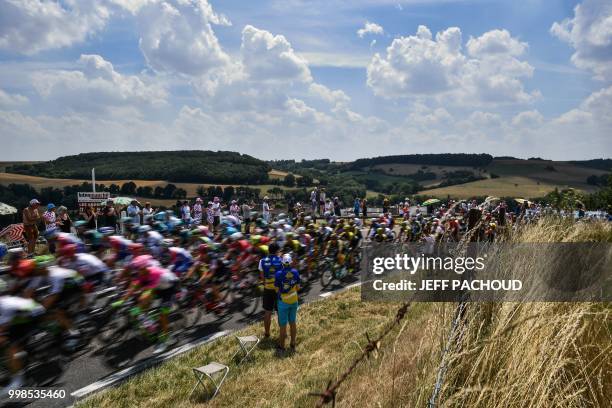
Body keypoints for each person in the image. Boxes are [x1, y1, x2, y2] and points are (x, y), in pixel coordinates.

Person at [274, 253, 300, 352]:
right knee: (293, 322)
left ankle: (282, 347)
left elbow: (276, 289)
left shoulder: (278, 274)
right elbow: (298, 287)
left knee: (283, 325)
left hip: (283, 302)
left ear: (282, 263)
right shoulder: (295, 272)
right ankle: (293, 343)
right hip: (294, 300)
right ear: (291, 263)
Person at [259, 243, 282, 339]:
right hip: (278, 289)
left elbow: (262, 277)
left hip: (268, 289)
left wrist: (266, 283)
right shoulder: (280, 260)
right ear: (277, 251)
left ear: (268, 251)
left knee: (267, 312)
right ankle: (282, 332)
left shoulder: (262, 261)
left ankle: (267, 333)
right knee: (280, 311)